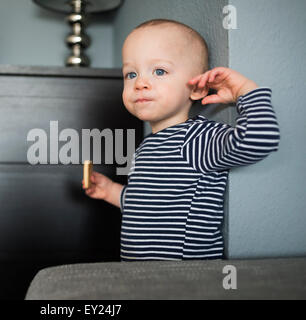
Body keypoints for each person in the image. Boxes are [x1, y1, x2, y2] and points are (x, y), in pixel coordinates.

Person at [82, 19, 280, 261]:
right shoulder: (147, 146)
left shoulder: (196, 138)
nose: (140, 83)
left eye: (159, 71)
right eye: (131, 74)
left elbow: (260, 140)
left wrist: (245, 91)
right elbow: (148, 203)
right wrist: (111, 191)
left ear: (197, 89)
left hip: (182, 277)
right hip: (139, 274)